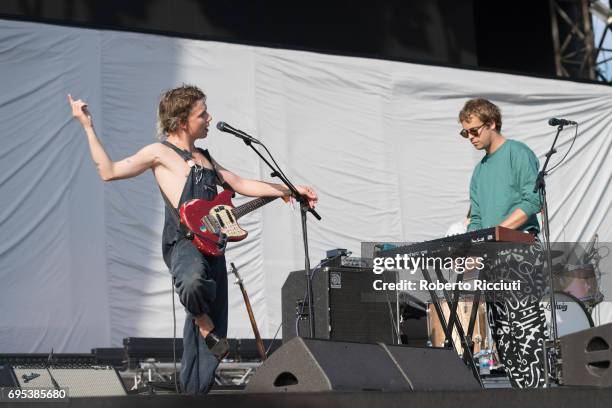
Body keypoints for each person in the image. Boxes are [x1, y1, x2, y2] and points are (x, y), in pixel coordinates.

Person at [68, 85, 318, 394]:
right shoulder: (159, 152)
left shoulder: (206, 158)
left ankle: (195, 393)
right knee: (192, 282)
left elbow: (239, 182)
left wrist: (290, 190)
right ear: (182, 120)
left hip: (214, 248)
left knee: (211, 344)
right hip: (183, 243)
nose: (209, 118)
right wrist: (87, 126)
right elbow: (108, 171)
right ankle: (200, 318)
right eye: (202, 114)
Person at [459, 98, 547, 388]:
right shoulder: (478, 172)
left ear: (492, 123)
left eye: (473, 131)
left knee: (526, 329)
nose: (470, 138)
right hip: (492, 258)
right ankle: (519, 394)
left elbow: (533, 200)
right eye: (465, 133)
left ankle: (540, 395)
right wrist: (473, 246)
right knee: (503, 333)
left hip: (521, 252)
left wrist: (497, 231)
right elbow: (476, 218)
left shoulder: (518, 153)